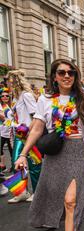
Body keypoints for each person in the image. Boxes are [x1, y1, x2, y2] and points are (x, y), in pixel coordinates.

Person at [14, 59, 84, 231]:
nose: (67, 76)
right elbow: (37, 128)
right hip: (55, 153)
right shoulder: (45, 100)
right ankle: (74, 230)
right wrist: (23, 154)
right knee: (57, 196)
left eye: (71, 73)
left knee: (71, 200)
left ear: (75, 76)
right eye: (62, 72)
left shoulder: (83, 99)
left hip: (77, 152)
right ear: (54, 76)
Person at [6, 70, 40, 203]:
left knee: (34, 163)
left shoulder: (26, 95)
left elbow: (36, 116)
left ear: (15, 81)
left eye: (9, 80)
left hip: (27, 134)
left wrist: (28, 131)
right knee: (17, 161)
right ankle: (21, 192)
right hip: (19, 134)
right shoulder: (15, 98)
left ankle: (37, 192)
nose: (7, 83)